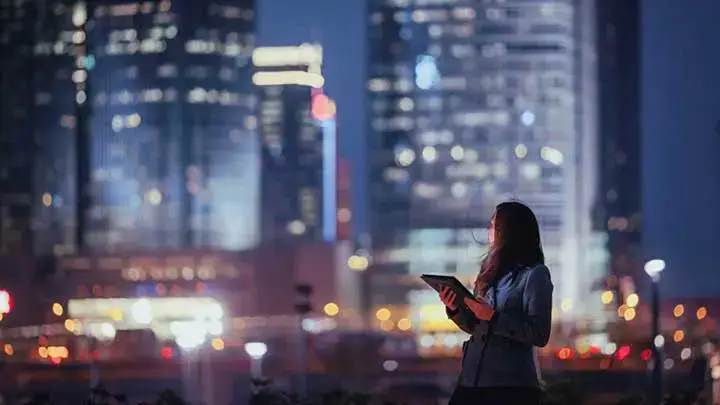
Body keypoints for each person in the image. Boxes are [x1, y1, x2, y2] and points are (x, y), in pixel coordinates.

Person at [438, 201, 553, 405]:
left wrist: (493, 316)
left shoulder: (534, 275)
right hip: (472, 379)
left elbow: (539, 333)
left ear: (508, 231)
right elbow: (475, 326)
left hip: (510, 386)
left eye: (494, 225)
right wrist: (455, 308)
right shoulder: (489, 273)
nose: (489, 230)